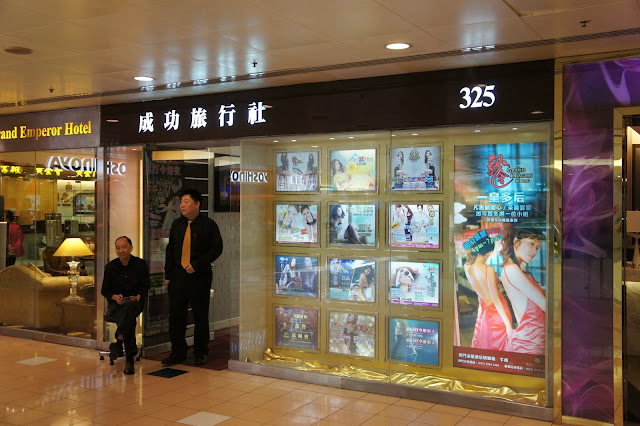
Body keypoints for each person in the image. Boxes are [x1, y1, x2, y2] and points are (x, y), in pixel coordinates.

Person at [163, 189, 223, 366]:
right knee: (176, 317)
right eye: (181, 202)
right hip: (178, 277)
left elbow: (216, 249)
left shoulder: (208, 225)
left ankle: (200, 352)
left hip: (199, 277)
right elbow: (170, 250)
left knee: (200, 316)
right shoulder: (177, 225)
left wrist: (197, 264)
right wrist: (168, 275)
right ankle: (178, 352)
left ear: (197, 204)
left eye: (186, 201)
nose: (182, 205)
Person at [101, 236, 150, 375]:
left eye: (124, 247)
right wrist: (115, 297)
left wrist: (137, 297)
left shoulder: (140, 264)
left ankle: (119, 341)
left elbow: (146, 286)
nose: (121, 250)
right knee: (129, 318)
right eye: (118, 248)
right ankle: (129, 359)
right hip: (116, 305)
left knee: (129, 310)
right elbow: (105, 290)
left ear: (131, 248)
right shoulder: (111, 267)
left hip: (134, 303)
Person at [499, 224, 546, 355]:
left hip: (533, 339)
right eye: (531, 244)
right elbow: (544, 304)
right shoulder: (512, 269)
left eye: (537, 247)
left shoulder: (516, 269)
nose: (534, 251)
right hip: (530, 342)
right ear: (516, 241)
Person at [464, 235, 513, 351]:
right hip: (497, 313)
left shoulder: (467, 267)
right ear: (489, 252)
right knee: (501, 349)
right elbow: (496, 300)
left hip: (483, 313)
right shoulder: (488, 269)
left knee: (483, 347)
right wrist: (508, 326)